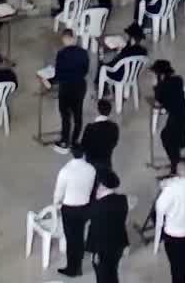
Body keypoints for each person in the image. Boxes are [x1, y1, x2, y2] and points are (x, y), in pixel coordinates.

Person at [54, 146, 97, 277]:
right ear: (84, 154)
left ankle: (73, 269)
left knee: (71, 239)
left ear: (72, 153)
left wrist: (56, 204)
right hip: (85, 208)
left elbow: (59, 192)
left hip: (69, 209)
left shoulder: (65, 171)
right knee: (79, 236)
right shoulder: (91, 169)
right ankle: (78, 265)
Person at [85, 171, 130, 283]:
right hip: (118, 245)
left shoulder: (97, 207)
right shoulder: (123, 200)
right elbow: (121, 224)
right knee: (113, 272)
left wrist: (95, 252)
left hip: (102, 251)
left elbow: (96, 231)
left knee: (103, 277)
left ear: (102, 185)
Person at [53, 28, 90, 152]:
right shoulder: (83, 52)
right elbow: (85, 70)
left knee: (65, 115)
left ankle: (65, 140)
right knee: (78, 114)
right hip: (80, 86)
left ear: (64, 39)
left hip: (66, 87)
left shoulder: (61, 54)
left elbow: (58, 74)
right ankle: (74, 142)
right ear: (74, 38)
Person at [153, 60, 185, 169]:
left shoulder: (162, 86)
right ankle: (176, 163)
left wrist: (157, 84)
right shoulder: (178, 80)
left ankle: (176, 165)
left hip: (175, 117)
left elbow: (158, 101)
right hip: (182, 113)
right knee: (172, 139)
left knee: (167, 138)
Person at [79, 98, 120, 171]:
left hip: (90, 164)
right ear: (109, 111)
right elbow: (114, 143)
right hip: (106, 162)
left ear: (97, 110)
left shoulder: (90, 128)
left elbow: (83, 146)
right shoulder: (114, 127)